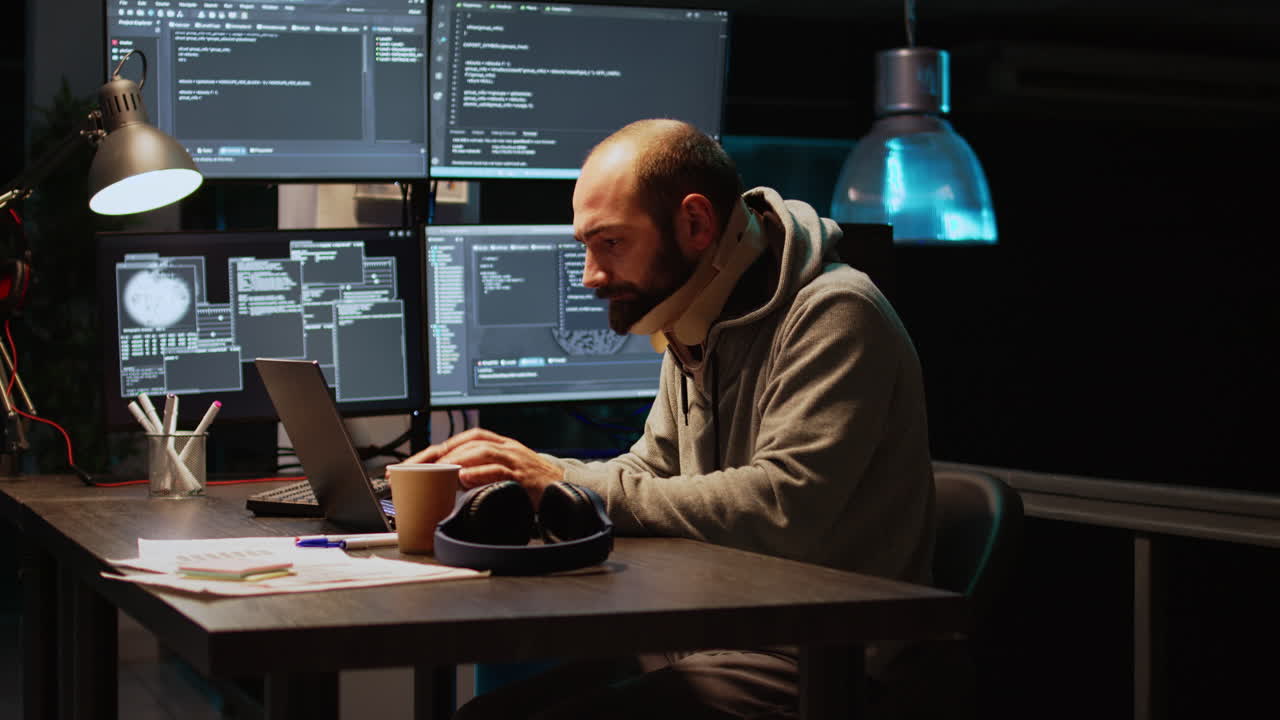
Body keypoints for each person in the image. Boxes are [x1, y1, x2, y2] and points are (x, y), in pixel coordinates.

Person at [406, 119, 936, 719]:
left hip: (814, 659)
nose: (590, 275)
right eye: (586, 246)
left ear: (694, 224)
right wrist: (522, 485)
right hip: (708, 634)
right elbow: (649, 468)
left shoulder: (835, 314)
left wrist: (557, 478)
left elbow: (783, 504)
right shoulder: (696, 315)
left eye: (610, 243)